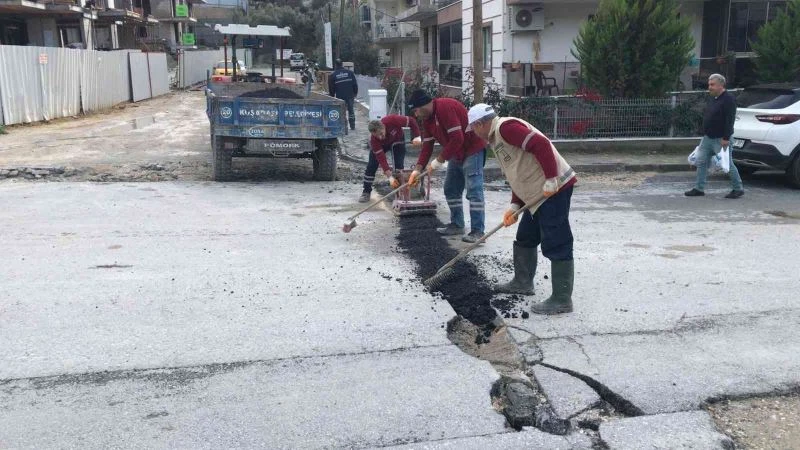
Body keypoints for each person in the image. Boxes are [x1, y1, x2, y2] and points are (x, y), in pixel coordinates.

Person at [466, 103, 577, 315]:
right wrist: (515, 205)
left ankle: (562, 299)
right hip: (538, 193)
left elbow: (541, 145)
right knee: (526, 237)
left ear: (480, 123)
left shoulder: (505, 129)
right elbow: (519, 172)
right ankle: (522, 283)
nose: (474, 134)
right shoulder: (496, 139)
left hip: (554, 189)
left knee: (557, 240)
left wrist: (552, 179)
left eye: (473, 128)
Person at [406, 90, 487, 243]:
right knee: (450, 188)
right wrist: (417, 169)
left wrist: (439, 160)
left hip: (472, 149)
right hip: (456, 153)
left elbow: (458, 138)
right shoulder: (427, 120)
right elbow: (427, 146)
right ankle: (457, 224)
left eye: (416, 110)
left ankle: (478, 232)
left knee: (474, 190)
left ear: (424, 105)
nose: (416, 115)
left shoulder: (445, 107)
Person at [685, 73, 744, 199]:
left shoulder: (728, 99)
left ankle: (738, 188)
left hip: (721, 138)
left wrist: (726, 138)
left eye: (712, 85)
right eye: (709, 84)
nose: (709, 87)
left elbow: (730, 120)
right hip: (708, 138)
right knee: (701, 161)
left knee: (727, 164)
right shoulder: (713, 98)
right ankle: (699, 188)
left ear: (721, 85)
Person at [359, 115, 422, 203]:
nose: (380, 137)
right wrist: (390, 177)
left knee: (399, 167)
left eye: (381, 133)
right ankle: (366, 191)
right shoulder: (374, 140)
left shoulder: (392, 120)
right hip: (382, 146)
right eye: (377, 136)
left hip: (398, 141)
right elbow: (382, 159)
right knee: (371, 166)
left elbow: (411, 120)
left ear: (383, 127)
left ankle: (400, 191)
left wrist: (417, 136)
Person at [328, 59, 358, 130]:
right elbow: (355, 84)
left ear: (335, 65)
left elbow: (331, 88)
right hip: (350, 95)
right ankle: (352, 126)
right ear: (342, 64)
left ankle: (344, 127)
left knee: (342, 112)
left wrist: (332, 96)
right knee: (351, 111)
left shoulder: (333, 75)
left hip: (340, 97)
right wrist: (355, 93)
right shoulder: (350, 73)